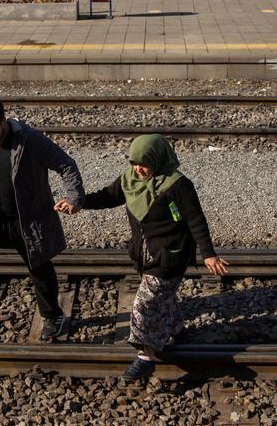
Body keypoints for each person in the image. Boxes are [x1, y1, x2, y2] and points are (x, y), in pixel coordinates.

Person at [58, 134, 228, 382]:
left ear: (158, 160)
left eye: (144, 164)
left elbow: (196, 221)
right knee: (162, 296)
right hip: (145, 254)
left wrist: (208, 254)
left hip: (172, 255)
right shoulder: (130, 179)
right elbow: (108, 196)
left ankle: (145, 356)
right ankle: (177, 330)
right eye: (134, 162)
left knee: (144, 303)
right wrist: (79, 204)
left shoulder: (177, 185)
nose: (138, 168)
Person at [0, 97, 86, 347]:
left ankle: (53, 317)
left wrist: (74, 198)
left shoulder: (30, 139)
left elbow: (66, 165)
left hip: (29, 217)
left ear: (3, 121)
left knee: (39, 265)